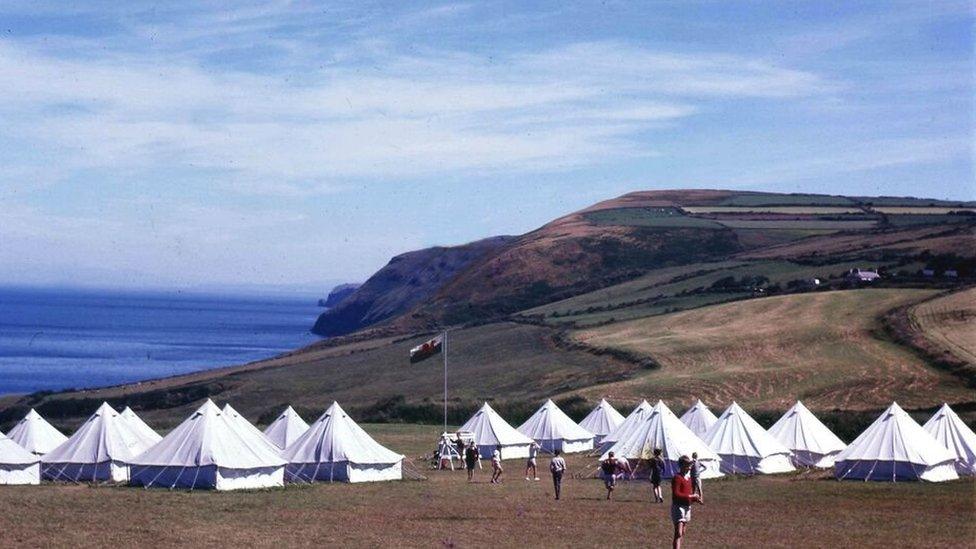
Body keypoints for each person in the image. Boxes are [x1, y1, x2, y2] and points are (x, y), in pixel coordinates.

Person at [672, 455, 702, 549]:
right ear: (681, 465)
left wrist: (695, 499)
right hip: (678, 507)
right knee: (678, 533)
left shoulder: (689, 479)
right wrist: (691, 496)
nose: (689, 467)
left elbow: (688, 494)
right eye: (687, 465)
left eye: (690, 465)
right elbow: (676, 494)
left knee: (683, 532)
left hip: (687, 507)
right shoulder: (677, 478)